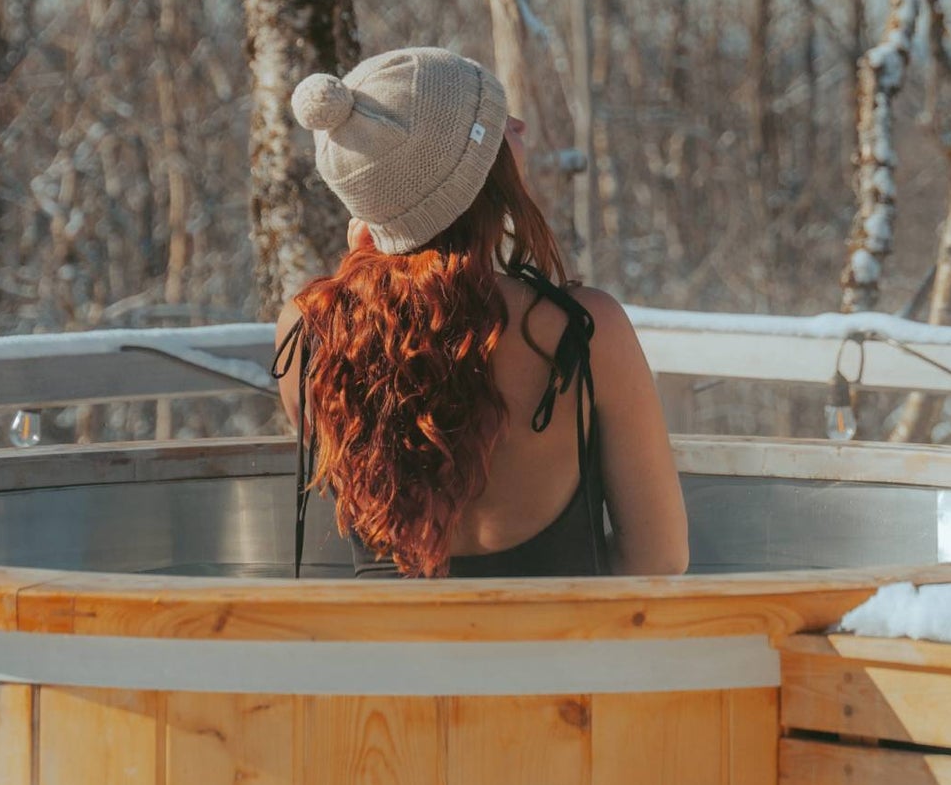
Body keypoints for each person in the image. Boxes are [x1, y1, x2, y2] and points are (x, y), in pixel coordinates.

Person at [273, 46, 688, 578]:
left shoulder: (309, 330)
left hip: (384, 657)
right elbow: (660, 559)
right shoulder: (583, 330)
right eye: (495, 123)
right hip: (555, 654)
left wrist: (369, 254)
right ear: (475, 171)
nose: (518, 126)